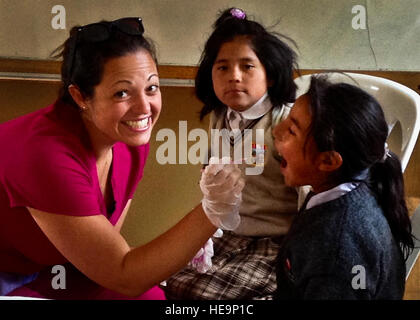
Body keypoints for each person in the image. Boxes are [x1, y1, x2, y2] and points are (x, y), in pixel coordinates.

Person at [0, 17, 244, 299]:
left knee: (151, 298)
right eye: (122, 93)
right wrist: (212, 211)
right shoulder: (46, 156)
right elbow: (124, 275)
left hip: (49, 270)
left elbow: (109, 254)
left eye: (151, 88)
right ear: (80, 96)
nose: (144, 108)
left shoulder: (128, 141)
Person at [164, 8, 302, 300]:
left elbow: (311, 197)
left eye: (247, 66)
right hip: (230, 234)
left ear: (271, 75)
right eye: (222, 67)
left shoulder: (286, 123)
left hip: (278, 241)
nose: (233, 77)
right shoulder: (220, 115)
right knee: (169, 281)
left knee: (207, 294)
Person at [272, 74, 414, 299]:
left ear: (328, 161)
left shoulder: (335, 257)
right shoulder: (351, 183)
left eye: (292, 130)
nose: (277, 130)